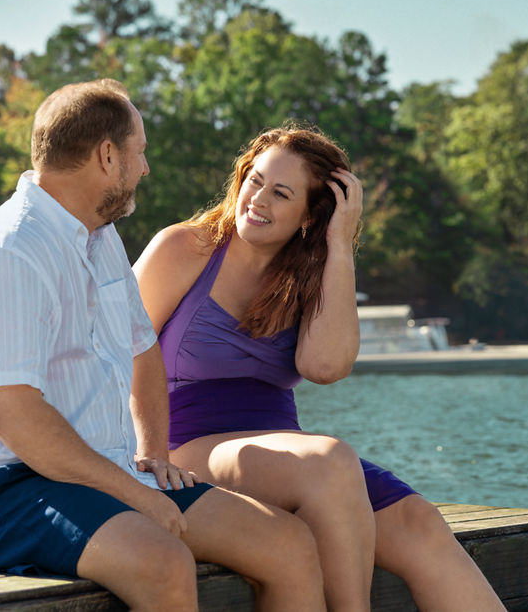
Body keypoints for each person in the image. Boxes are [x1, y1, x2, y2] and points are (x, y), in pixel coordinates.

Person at [0, 81, 325, 612]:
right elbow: (12, 414)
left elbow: (142, 350)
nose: (146, 168)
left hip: (100, 472)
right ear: (107, 156)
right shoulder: (10, 250)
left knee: (287, 544)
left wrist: (152, 456)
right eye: (141, 151)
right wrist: (133, 495)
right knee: (161, 561)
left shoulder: (99, 236)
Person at [133, 124, 504, 611]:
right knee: (329, 461)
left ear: (310, 215)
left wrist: (340, 245)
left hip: (283, 454)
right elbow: (117, 352)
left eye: (281, 193)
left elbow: (325, 366)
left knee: (421, 525)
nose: (258, 199)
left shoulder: (310, 272)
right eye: (254, 180)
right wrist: (147, 453)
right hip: (181, 446)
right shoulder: (185, 249)